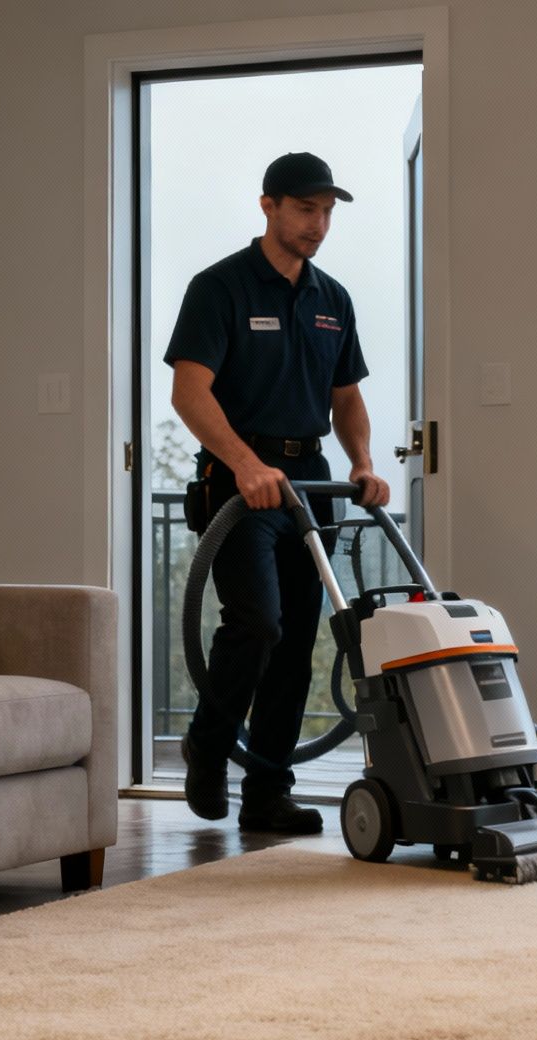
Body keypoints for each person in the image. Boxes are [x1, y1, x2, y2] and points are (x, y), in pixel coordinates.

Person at [165, 151, 391, 835]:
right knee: (258, 623)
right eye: (304, 209)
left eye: (326, 212)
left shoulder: (333, 300)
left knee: (294, 639)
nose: (318, 224)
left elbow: (346, 398)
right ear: (269, 206)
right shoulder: (220, 288)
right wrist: (244, 464)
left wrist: (362, 463)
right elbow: (190, 392)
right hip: (240, 481)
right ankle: (208, 745)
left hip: (309, 480)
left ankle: (267, 792)